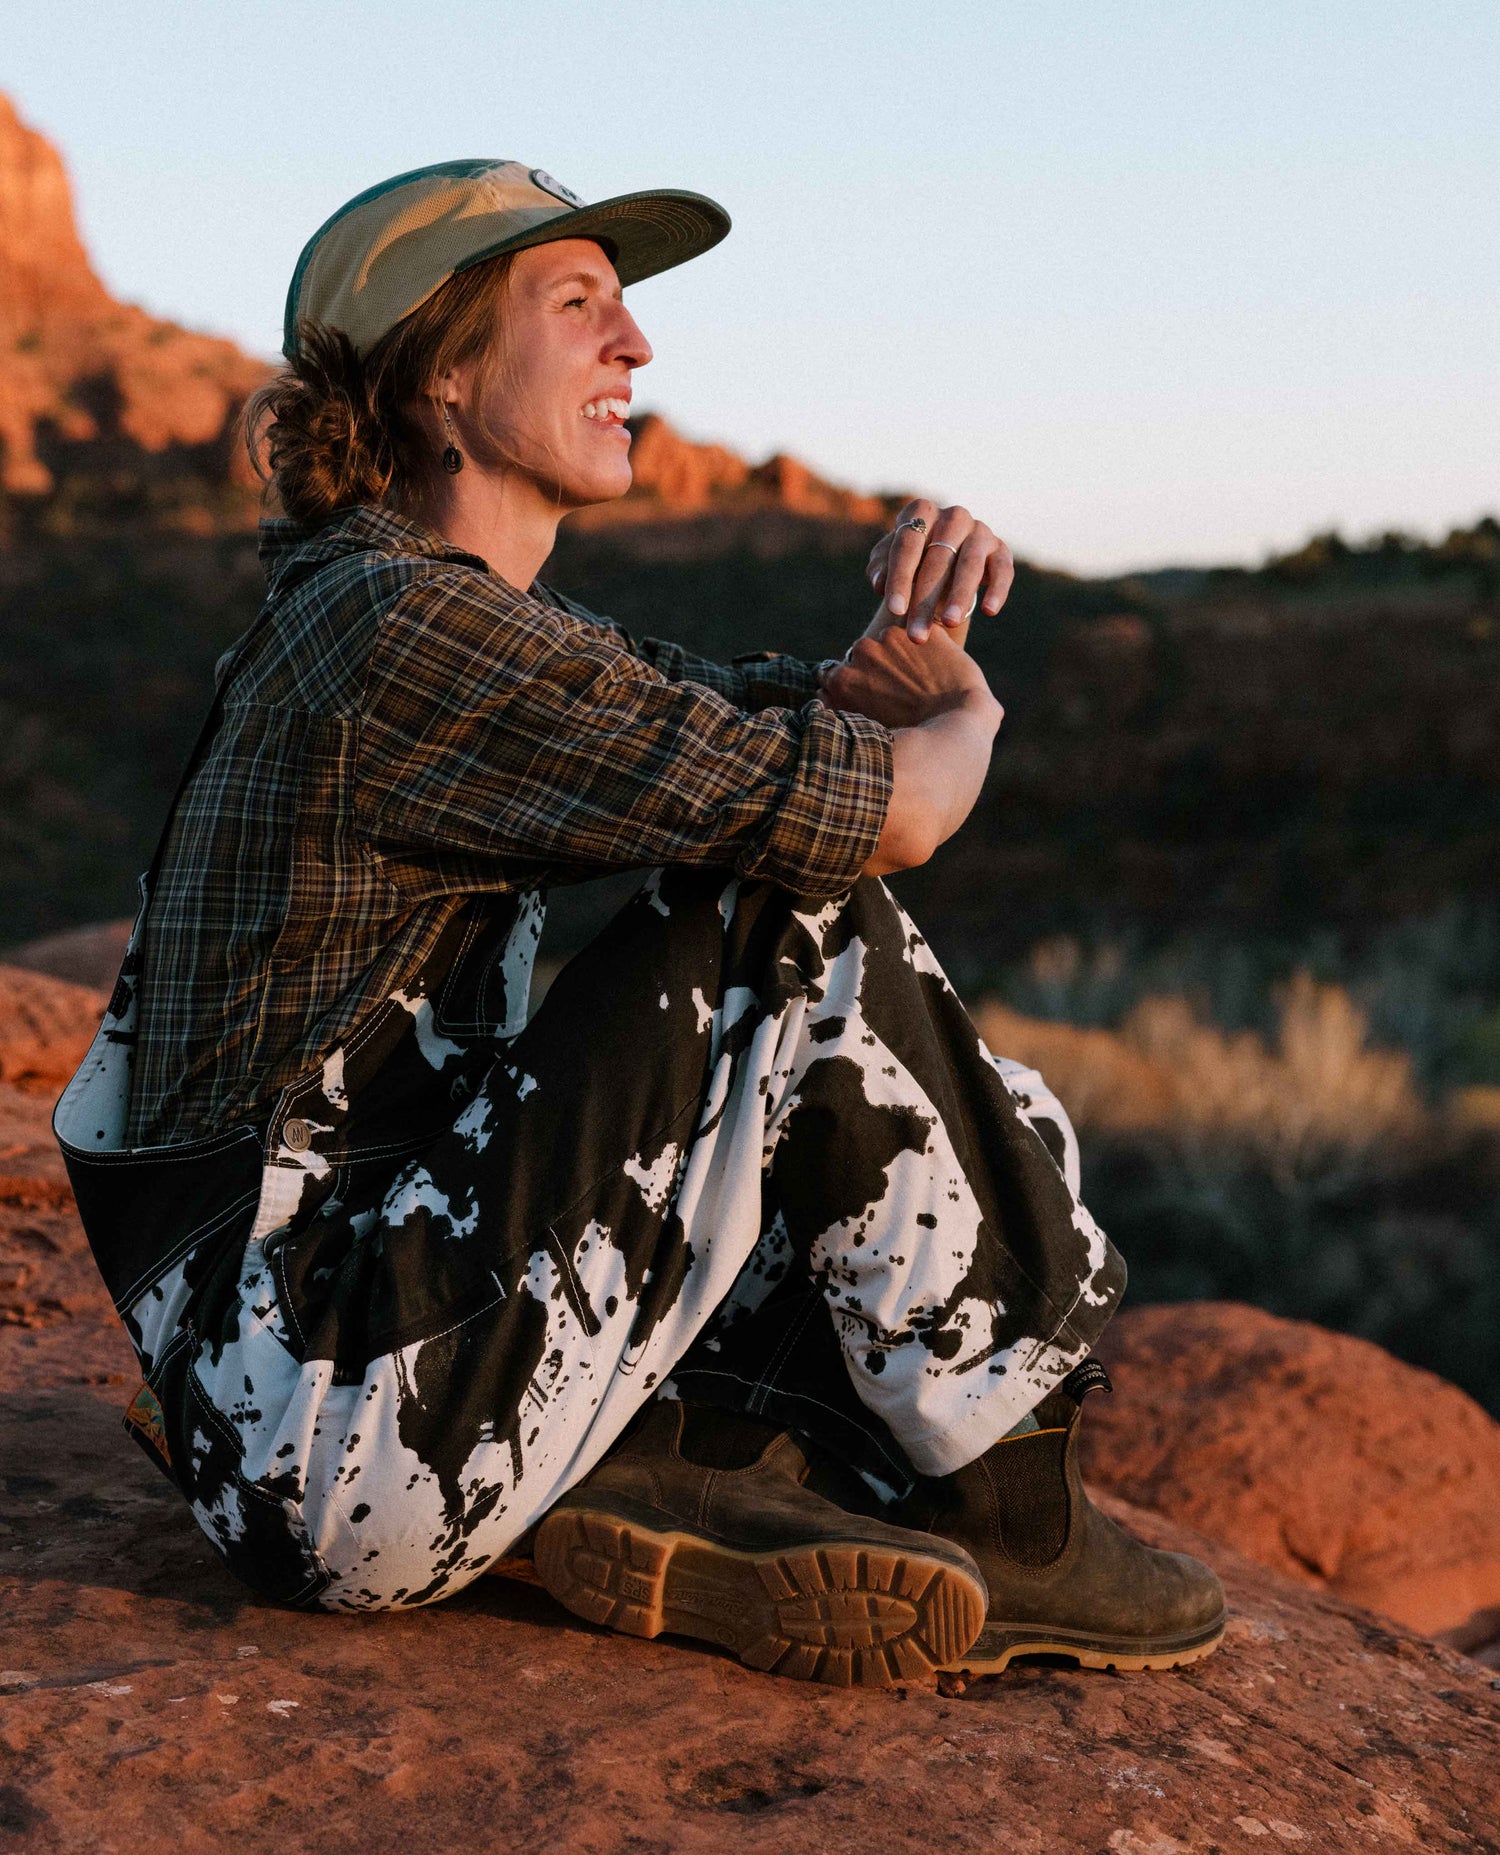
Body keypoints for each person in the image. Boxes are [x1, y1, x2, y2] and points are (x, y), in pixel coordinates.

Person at [54, 159, 1224, 1686]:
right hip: (331, 1404)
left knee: (894, 1063)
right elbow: (884, 813)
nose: (639, 349)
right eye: (578, 305)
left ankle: (711, 1487)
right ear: (437, 380)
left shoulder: (412, 615)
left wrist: (899, 673)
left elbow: (731, 722)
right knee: (784, 921)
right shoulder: (391, 629)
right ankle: (1015, 1509)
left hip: (309, 1388)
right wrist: (965, 719)